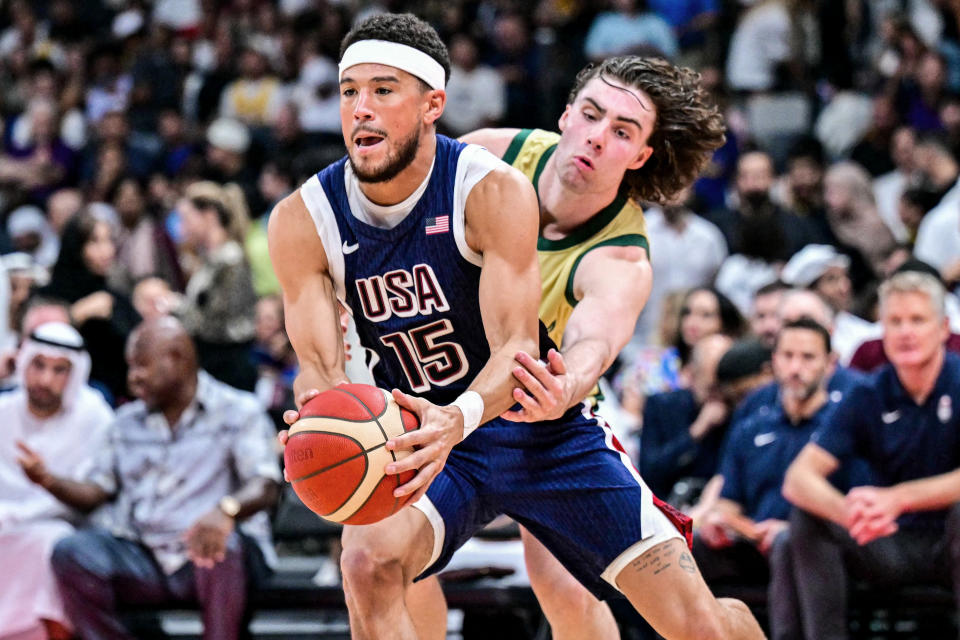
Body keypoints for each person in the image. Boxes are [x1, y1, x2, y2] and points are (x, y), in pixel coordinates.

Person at [269, 13, 763, 640]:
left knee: (645, 616)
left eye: (620, 130)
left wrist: (566, 382)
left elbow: (590, 342)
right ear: (564, 114)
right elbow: (318, 366)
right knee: (369, 563)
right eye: (590, 114)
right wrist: (319, 409)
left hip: (543, 411)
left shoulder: (610, 249)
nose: (594, 138)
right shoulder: (478, 156)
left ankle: (733, 624)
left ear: (640, 153)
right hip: (424, 423)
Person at [22, 317, 281, 640]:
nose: (133, 379)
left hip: (213, 557)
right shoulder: (125, 422)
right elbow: (97, 490)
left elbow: (266, 483)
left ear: (177, 358)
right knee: (71, 552)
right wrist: (48, 480)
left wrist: (225, 511)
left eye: (141, 366)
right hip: (142, 555)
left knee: (218, 545)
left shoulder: (237, 411)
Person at [782, 271, 960, 639]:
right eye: (894, 321)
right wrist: (850, 514)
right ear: (881, 331)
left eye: (917, 320)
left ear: (944, 328)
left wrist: (899, 498)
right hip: (890, 541)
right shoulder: (869, 392)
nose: (905, 332)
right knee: (807, 518)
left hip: (949, 537)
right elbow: (799, 479)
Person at [695, 318, 837, 639]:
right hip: (753, 542)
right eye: (787, 356)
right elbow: (728, 502)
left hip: (815, 544)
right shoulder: (752, 426)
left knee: (792, 542)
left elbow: (851, 503)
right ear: (773, 362)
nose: (795, 367)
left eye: (808, 357)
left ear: (831, 364)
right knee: (688, 548)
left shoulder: (842, 426)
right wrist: (722, 523)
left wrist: (790, 528)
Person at [0, 322, 113, 640]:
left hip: (64, 528)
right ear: (23, 362)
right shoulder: (3, 410)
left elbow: (93, 495)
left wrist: (46, 480)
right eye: (38, 365)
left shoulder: (94, 417)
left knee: (53, 542)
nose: (45, 380)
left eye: (59, 370)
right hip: (5, 524)